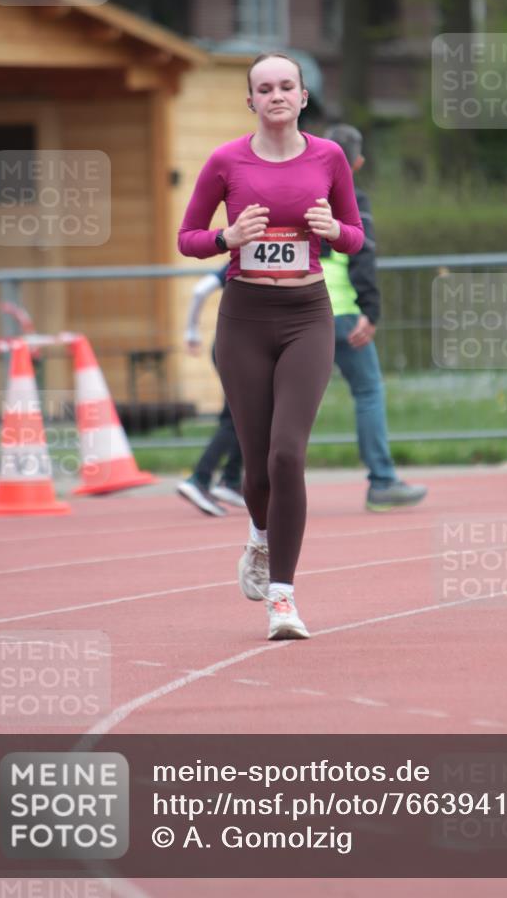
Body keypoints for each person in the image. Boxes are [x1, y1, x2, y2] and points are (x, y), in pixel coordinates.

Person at [177, 52, 364, 640]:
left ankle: (282, 597)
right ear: (251, 101)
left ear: (304, 97)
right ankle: (258, 536)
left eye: (288, 86)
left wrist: (336, 233)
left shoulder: (329, 158)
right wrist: (226, 237)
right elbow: (187, 238)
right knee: (255, 465)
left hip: (307, 314)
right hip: (245, 318)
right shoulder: (225, 160)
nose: (277, 95)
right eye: (265, 87)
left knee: (288, 455)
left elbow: (356, 236)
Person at [321, 124, 428, 511]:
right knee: (367, 392)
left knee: (286, 403)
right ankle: (382, 482)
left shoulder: (296, 194)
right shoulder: (354, 199)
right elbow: (362, 257)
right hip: (343, 313)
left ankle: (263, 485)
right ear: (358, 162)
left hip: (298, 312)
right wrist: (372, 311)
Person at [176, 262, 246, 517]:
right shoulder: (249, 257)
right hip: (241, 348)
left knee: (249, 415)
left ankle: (230, 480)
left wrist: (192, 331)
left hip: (230, 345)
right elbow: (199, 290)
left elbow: (200, 290)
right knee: (237, 417)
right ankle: (200, 478)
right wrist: (191, 331)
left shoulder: (244, 256)